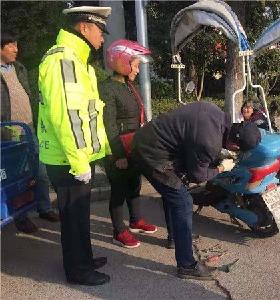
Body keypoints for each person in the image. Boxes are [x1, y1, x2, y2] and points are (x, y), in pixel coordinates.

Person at [131, 101, 261, 280]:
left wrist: (216, 158)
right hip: (151, 153)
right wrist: (222, 168)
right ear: (235, 146)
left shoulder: (216, 114)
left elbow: (195, 143)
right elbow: (198, 176)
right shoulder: (209, 142)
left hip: (153, 141)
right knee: (183, 201)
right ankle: (186, 265)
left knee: (176, 190)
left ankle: (176, 237)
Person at [37, 4, 112, 286]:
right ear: (84, 27)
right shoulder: (64, 61)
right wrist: (80, 163)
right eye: (100, 30)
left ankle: (84, 258)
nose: (103, 37)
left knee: (80, 214)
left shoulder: (75, 60)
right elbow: (66, 118)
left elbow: (86, 113)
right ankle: (78, 270)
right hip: (68, 159)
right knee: (73, 217)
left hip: (75, 156)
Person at [99, 39, 157, 249]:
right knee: (118, 190)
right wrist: (119, 155)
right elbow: (108, 123)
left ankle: (136, 220)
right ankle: (118, 230)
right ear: (122, 62)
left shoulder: (129, 86)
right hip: (117, 149)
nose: (137, 70)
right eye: (135, 64)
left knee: (134, 184)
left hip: (133, 145)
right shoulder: (107, 88)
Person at [0, 30, 59, 234]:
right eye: (11, 45)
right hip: (8, 134)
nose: (16, 49)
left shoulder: (19, 68)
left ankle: (44, 207)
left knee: (40, 171)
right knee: (16, 178)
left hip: (30, 128)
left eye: (16, 44)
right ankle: (21, 216)